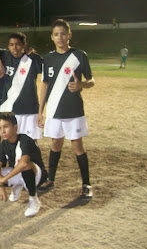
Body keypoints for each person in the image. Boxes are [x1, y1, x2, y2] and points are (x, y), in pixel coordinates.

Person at [37, 19, 95, 199]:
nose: (60, 37)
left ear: (69, 35)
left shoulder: (79, 55)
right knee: (55, 143)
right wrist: (41, 112)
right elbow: (45, 85)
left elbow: (92, 81)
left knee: (77, 145)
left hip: (73, 110)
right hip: (54, 111)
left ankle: (86, 184)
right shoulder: (48, 58)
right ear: (52, 37)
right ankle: (51, 180)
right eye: (56, 34)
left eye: (63, 33)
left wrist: (82, 85)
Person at [0, 112, 48, 217]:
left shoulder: (25, 139)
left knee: (25, 165)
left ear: (15, 127)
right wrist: (0, 185)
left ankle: (33, 199)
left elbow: (24, 163)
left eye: (6, 126)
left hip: (36, 175)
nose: (3, 131)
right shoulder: (4, 143)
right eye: (0, 128)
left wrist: (4, 179)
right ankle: (18, 184)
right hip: (18, 171)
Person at [0, 32, 43, 140]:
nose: (15, 47)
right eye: (11, 44)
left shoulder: (32, 59)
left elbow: (46, 75)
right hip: (10, 109)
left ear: (24, 45)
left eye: (18, 44)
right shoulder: (5, 56)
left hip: (29, 108)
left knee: (31, 141)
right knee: (10, 140)